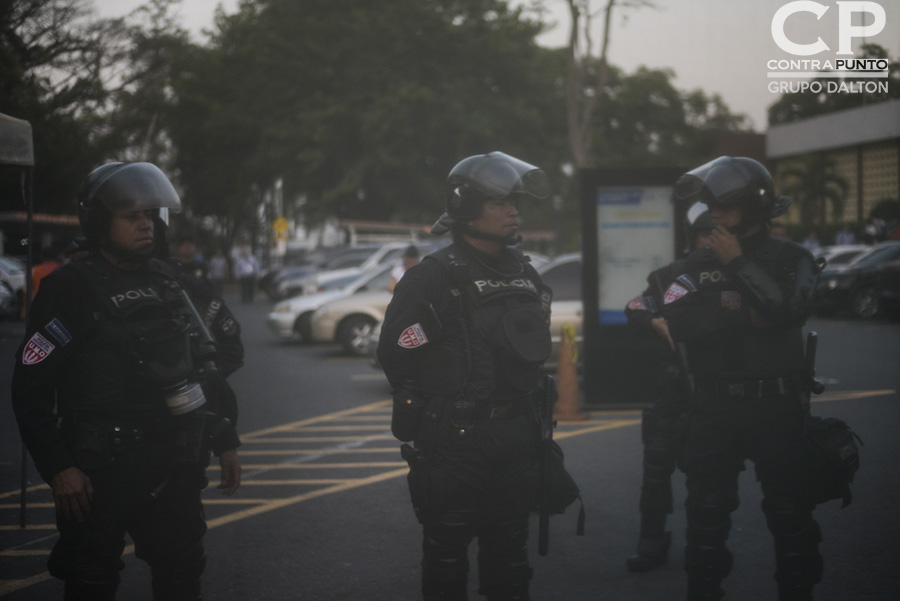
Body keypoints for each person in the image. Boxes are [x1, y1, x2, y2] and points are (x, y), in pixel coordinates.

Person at [11, 162, 243, 601]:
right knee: (92, 577)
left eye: (150, 215)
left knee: (182, 569)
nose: (145, 225)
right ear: (100, 221)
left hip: (173, 462)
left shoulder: (172, 282)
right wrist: (60, 467)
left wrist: (223, 433)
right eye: (131, 216)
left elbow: (215, 361)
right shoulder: (70, 289)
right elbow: (31, 387)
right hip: (98, 469)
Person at [377, 151, 553, 601]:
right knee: (447, 556)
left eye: (516, 201)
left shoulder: (526, 273)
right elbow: (396, 352)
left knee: (511, 558)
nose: (513, 210)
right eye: (501, 202)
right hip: (456, 439)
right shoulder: (432, 277)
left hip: (517, 435)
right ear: (466, 207)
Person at [662, 156, 821, 601]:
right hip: (714, 408)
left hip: (776, 405)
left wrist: (737, 265)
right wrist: (747, 313)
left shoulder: (793, 258)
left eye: (723, 203)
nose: (712, 210)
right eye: (708, 201)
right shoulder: (695, 262)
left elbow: (790, 311)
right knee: (705, 523)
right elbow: (680, 322)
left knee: (792, 521)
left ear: (754, 206)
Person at [623, 201, 713, 572]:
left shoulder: (742, 274)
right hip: (673, 391)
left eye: (719, 233)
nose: (712, 241)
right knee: (657, 466)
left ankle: (705, 543)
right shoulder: (671, 277)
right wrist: (652, 322)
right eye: (706, 234)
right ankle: (652, 539)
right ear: (693, 237)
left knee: (708, 478)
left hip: (715, 393)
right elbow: (633, 305)